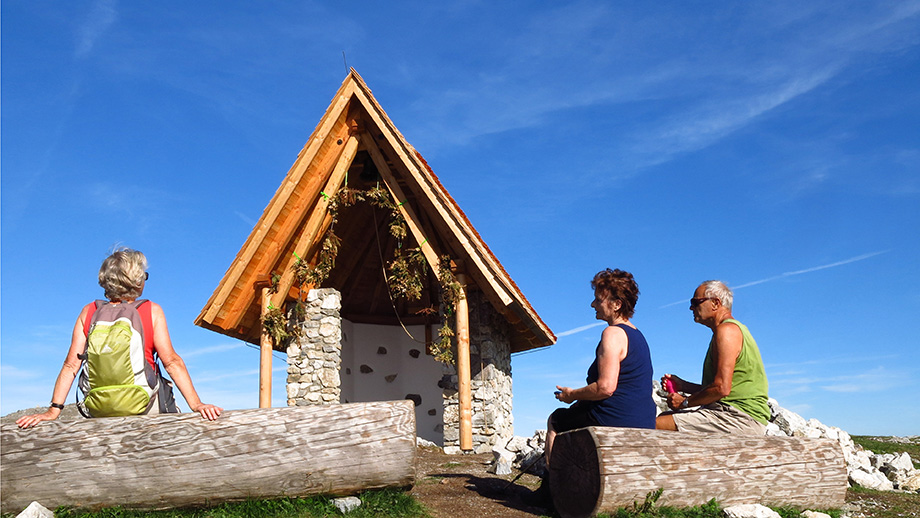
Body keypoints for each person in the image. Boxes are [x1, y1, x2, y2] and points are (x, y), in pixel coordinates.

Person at [17, 248, 222, 428]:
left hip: (100, 408)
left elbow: (71, 366)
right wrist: (197, 404)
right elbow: (171, 362)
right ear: (137, 281)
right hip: (145, 407)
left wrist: (53, 411)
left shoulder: (89, 312)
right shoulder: (151, 310)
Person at [545, 268, 656, 467]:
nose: (593, 304)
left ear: (616, 304)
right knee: (575, 415)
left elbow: (606, 387)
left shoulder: (612, 333)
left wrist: (572, 395)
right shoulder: (638, 335)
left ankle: (552, 489)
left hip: (615, 418)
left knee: (556, 420)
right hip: (644, 419)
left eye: (598, 299)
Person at [656, 280, 769, 435]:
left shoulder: (727, 331)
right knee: (664, 418)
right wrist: (684, 385)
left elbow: (721, 388)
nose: (691, 307)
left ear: (715, 303)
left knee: (654, 425)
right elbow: (723, 388)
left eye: (695, 302)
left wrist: (684, 403)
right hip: (737, 414)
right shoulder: (732, 330)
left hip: (738, 418)